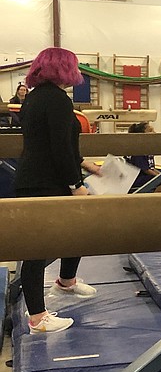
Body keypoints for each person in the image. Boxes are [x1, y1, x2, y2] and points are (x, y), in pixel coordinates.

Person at [14, 49, 101, 334]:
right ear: (65, 70)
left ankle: (66, 282)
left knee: (79, 230)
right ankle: (38, 318)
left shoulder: (35, 97)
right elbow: (58, 148)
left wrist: (83, 162)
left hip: (40, 178)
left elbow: (53, 142)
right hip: (45, 183)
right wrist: (76, 185)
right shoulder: (58, 101)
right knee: (37, 248)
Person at [125, 121, 161, 192]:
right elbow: (147, 170)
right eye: (151, 131)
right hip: (137, 179)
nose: (154, 132)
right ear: (142, 135)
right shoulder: (138, 150)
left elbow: (151, 168)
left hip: (145, 175)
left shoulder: (148, 148)